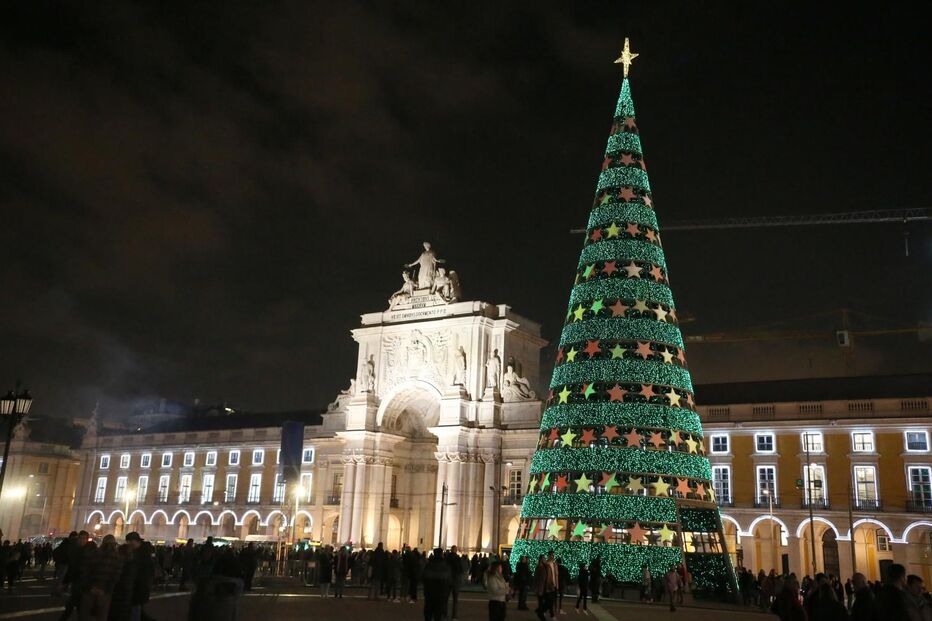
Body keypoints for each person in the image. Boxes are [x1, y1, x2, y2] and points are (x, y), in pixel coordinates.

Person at [79, 534, 123, 621]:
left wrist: (89, 586)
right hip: (105, 589)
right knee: (102, 615)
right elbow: (116, 576)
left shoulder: (95, 553)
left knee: (85, 614)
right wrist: (108, 589)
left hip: (91, 586)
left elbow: (85, 570)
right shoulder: (117, 557)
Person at [421, 549, 451, 621]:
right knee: (438, 613)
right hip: (440, 593)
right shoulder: (445, 565)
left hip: (429, 592)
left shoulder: (429, 564)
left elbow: (423, 577)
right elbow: (448, 580)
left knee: (428, 612)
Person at [446, 546, 464, 620]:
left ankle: (444, 614)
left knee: (445, 599)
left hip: (448, 580)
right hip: (455, 580)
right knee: (455, 600)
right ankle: (454, 616)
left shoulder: (447, 558)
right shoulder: (458, 558)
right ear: (456, 550)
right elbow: (461, 570)